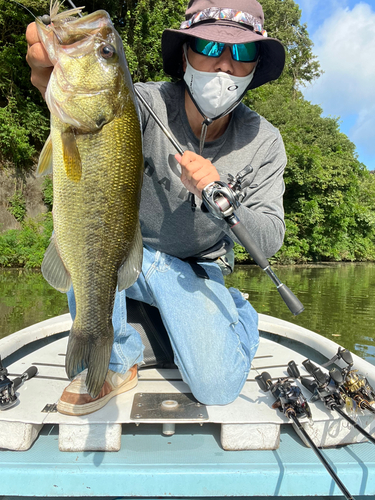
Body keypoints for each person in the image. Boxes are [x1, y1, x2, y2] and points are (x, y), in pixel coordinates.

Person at [26, 0, 287, 416]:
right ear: (185, 53)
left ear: (255, 66)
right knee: (89, 256)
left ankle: (234, 310)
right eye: (209, 45)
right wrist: (48, 75)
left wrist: (222, 196)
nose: (224, 64)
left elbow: (270, 238)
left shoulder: (265, 141)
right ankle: (116, 361)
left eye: (241, 52)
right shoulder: (139, 104)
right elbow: (82, 105)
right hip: (123, 257)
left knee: (216, 387)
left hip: (197, 269)